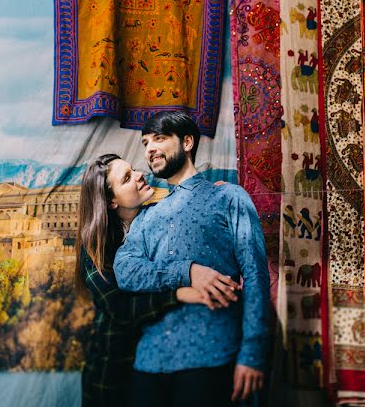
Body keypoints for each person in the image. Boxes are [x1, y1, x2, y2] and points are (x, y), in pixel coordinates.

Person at [113, 111, 269, 407]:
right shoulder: (148, 216)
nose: (149, 148)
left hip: (211, 357)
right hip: (149, 363)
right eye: (146, 142)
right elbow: (126, 271)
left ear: (187, 142)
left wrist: (253, 353)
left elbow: (256, 275)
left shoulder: (229, 198)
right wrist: (188, 271)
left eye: (159, 138)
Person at [76, 153, 230, 407]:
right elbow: (120, 308)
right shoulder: (95, 248)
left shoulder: (156, 218)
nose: (139, 175)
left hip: (160, 362)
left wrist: (213, 195)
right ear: (112, 201)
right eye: (127, 178)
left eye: (133, 170)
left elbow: (186, 208)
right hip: (113, 370)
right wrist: (179, 294)